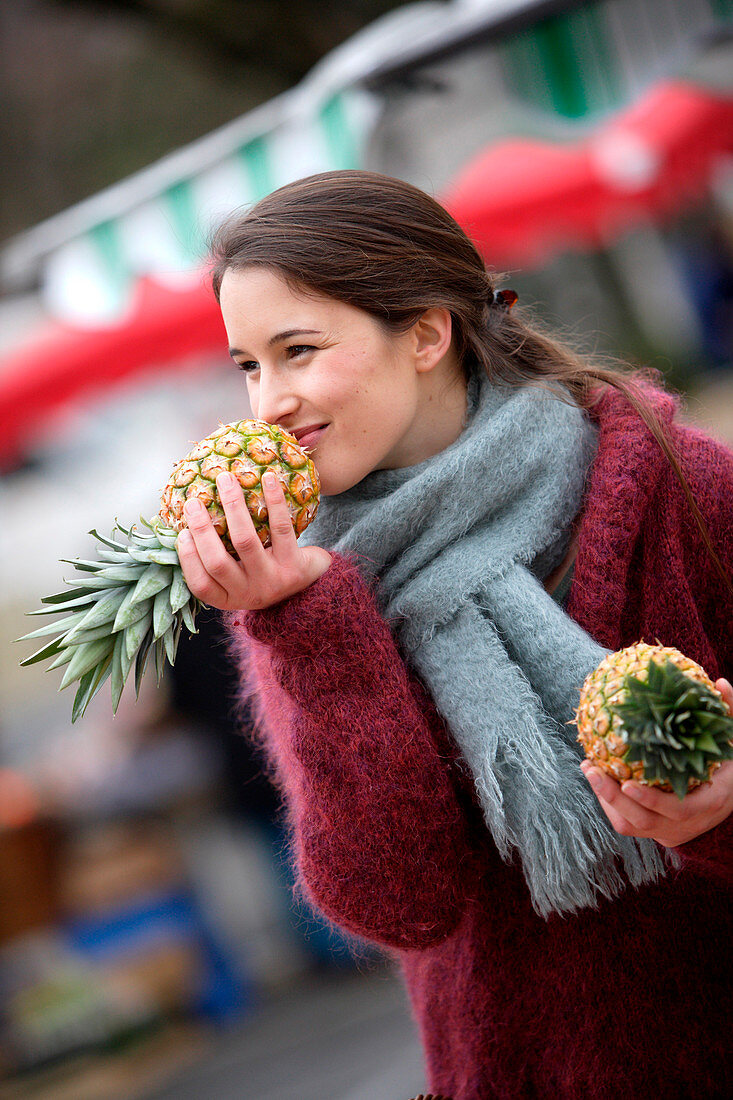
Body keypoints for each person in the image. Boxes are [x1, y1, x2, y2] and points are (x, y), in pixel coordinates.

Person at [175, 170, 733, 1100]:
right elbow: (397, 903)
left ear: (428, 333)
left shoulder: (680, 486)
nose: (266, 402)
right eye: (247, 365)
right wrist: (313, 637)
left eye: (297, 350)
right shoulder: (298, 581)